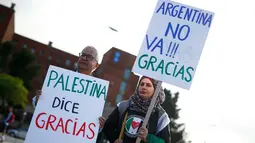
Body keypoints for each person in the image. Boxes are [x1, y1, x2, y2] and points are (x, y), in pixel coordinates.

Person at [31, 45, 105, 131]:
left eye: (89, 57)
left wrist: (99, 125)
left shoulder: (97, 91)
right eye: (82, 55)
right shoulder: (60, 78)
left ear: (96, 65)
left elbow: (91, 125)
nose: (84, 58)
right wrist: (38, 100)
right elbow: (41, 106)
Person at [102, 76, 171, 143]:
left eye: (148, 85)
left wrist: (148, 138)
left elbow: (164, 141)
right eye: (142, 84)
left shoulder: (161, 116)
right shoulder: (124, 106)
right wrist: (114, 139)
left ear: (156, 90)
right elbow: (108, 127)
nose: (143, 87)